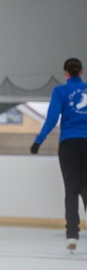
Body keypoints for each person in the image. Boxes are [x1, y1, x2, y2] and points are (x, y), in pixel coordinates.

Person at [30, 58, 87, 254]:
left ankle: (72, 235)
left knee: (71, 190)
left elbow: (53, 118)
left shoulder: (60, 91)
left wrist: (38, 141)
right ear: (82, 71)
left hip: (69, 144)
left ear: (65, 73)